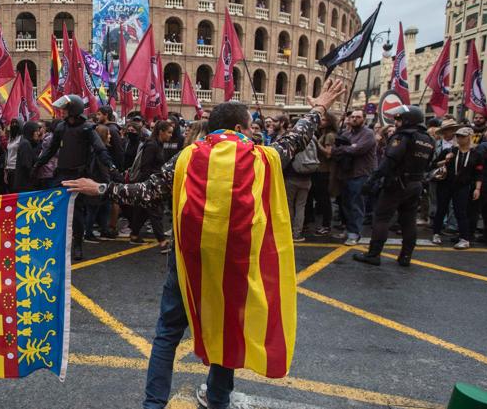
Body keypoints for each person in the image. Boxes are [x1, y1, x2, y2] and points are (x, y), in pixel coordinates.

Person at [64, 79, 346, 409]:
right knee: (226, 332)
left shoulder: (186, 157)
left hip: (187, 265)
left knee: (167, 335)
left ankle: (152, 405)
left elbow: (145, 191)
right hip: (234, 269)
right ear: (240, 127)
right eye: (252, 127)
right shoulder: (261, 157)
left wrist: (98, 188)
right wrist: (319, 107)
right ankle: (217, 400)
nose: (254, 132)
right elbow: (296, 140)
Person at [33, 95, 116, 260]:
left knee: (77, 214)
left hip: (78, 176)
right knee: (54, 208)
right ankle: (53, 242)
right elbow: (50, 149)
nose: (62, 112)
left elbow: (100, 149)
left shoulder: (87, 129)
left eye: (65, 109)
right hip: (61, 174)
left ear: (73, 111)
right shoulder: (61, 128)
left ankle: (78, 245)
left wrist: (110, 165)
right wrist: (38, 164)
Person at [352, 106, 435, 266]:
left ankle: (373, 255)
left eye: (399, 119)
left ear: (408, 120)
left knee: (381, 218)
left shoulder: (403, 137)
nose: (396, 123)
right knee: (409, 220)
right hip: (416, 184)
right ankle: (405, 256)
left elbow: (389, 161)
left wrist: (372, 181)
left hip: (397, 183)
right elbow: (428, 163)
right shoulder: (428, 139)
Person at [429, 126, 482, 249]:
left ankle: (464, 238)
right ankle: (436, 233)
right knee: (441, 209)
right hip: (445, 184)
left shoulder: (476, 154)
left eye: (462, 136)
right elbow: (433, 164)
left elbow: (479, 172)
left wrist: (477, 188)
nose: (459, 138)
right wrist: (445, 161)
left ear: (469, 137)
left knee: (461, 211)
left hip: (463, 186)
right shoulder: (450, 151)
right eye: (457, 136)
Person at [331, 109, 376, 246]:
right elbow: (334, 151)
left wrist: (347, 148)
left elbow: (359, 149)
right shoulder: (345, 133)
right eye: (352, 117)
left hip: (360, 174)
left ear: (363, 119)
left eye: (358, 117)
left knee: (356, 205)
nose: (355, 119)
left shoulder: (368, 134)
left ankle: (355, 234)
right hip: (345, 174)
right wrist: (349, 147)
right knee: (346, 204)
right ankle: (349, 229)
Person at [129, 120, 173, 250]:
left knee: (142, 211)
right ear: (161, 132)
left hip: (152, 182)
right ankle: (162, 242)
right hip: (150, 183)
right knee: (155, 212)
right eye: (169, 132)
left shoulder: (158, 144)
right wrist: (151, 183)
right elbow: (145, 167)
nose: (171, 135)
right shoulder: (152, 145)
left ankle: (134, 235)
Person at [304, 112, 337, 236]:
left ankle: (326, 225)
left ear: (329, 122)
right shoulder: (322, 134)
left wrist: (317, 144)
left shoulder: (329, 136)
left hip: (324, 171)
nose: (321, 121)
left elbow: (329, 153)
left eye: (323, 119)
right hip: (318, 170)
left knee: (324, 199)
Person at [13, 121, 43, 192]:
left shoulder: (27, 143)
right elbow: (26, 165)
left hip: (25, 184)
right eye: (36, 131)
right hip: (25, 185)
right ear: (31, 132)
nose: (38, 133)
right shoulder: (25, 144)